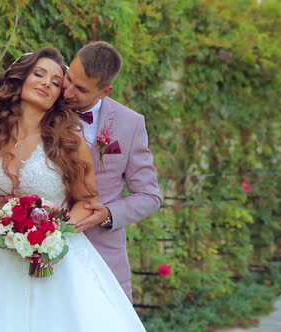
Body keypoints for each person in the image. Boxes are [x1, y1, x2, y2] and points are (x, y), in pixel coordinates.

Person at [0, 47, 145, 331]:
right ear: (20, 79)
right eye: (39, 74)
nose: (47, 83)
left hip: (60, 262)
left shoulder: (69, 139)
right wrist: (11, 240)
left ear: (59, 95)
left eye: (56, 82)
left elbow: (87, 200)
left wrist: (52, 236)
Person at [64, 41, 162, 302]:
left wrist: (108, 214)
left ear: (105, 91)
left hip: (103, 255)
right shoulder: (41, 108)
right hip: (44, 250)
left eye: (81, 89)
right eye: (68, 78)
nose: (67, 91)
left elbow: (150, 196)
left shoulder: (130, 124)